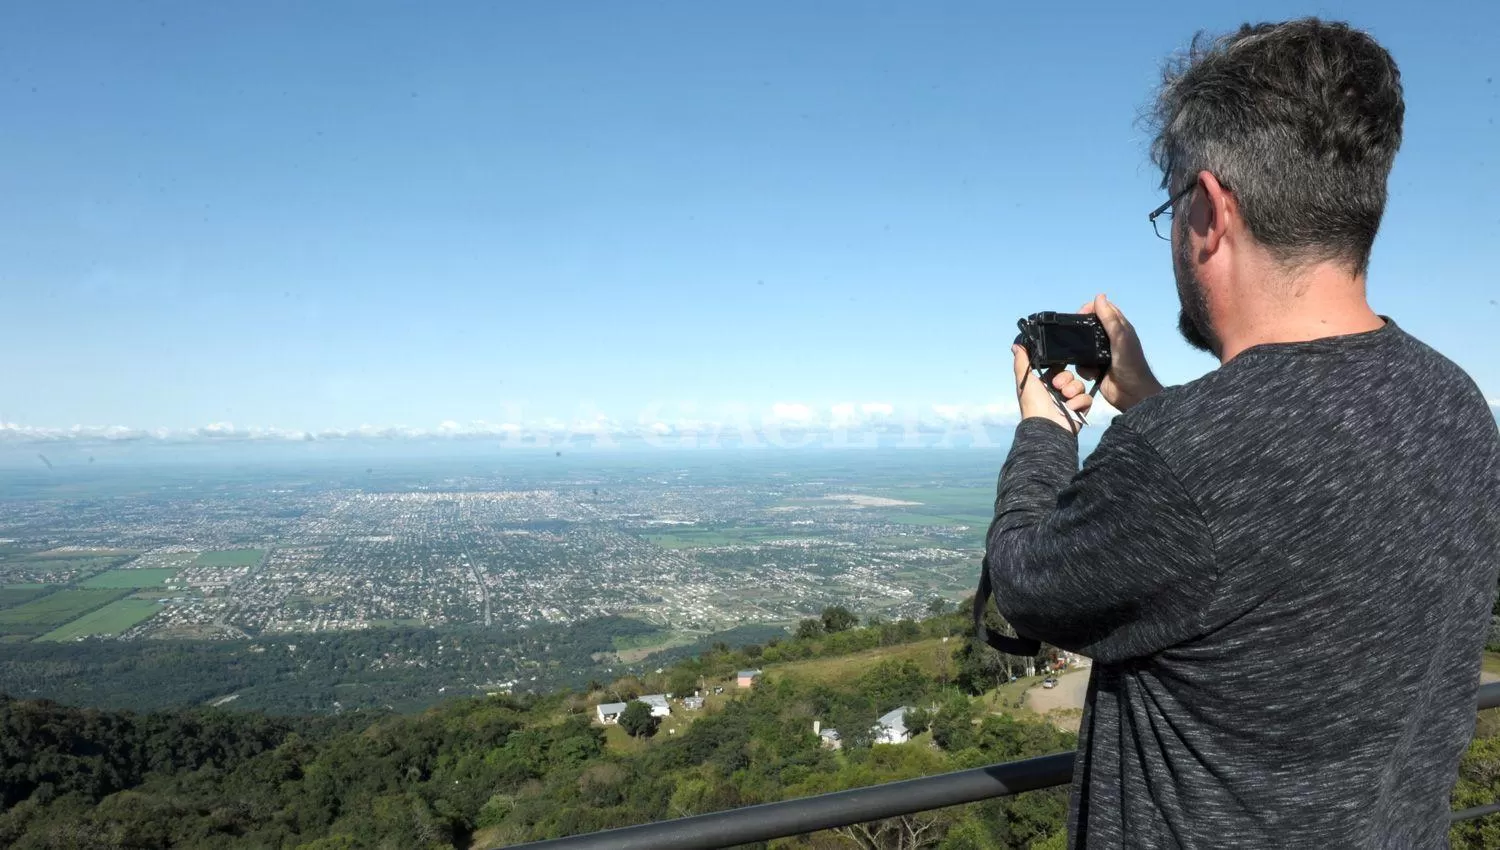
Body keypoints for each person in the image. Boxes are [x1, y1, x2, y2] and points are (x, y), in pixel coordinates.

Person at [987, 18, 1500, 849]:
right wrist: (1147, 394)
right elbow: (1261, 527)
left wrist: (1043, 427)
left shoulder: (1185, 457)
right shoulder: (1454, 402)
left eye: (1172, 210)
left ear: (1209, 209)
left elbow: (1026, 580)